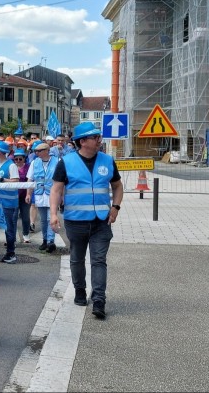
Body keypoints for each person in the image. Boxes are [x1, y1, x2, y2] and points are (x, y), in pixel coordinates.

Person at [49, 122, 123, 320]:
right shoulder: (66, 162)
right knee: (77, 259)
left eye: (99, 137)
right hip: (76, 221)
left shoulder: (107, 160)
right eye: (95, 137)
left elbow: (117, 186)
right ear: (82, 141)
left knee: (99, 261)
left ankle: (99, 299)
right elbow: (56, 190)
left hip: (101, 222)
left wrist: (115, 207)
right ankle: (80, 290)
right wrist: (53, 214)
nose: (99, 140)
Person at [26, 141, 59, 253]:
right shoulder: (34, 163)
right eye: (36, 151)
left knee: (51, 218)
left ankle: (50, 241)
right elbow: (30, 179)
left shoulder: (57, 161)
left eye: (39, 151)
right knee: (43, 220)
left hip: (53, 194)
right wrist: (28, 194)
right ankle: (45, 240)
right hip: (40, 194)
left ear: (47, 151)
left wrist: (62, 195)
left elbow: (62, 180)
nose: (37, 153)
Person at [0, 142, 19, 264]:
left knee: (9, 229)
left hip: (9, 202)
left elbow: (16, 182)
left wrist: (2, 180)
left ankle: (11, 253)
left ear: (0, 152)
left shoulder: (11, 165)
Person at [12, 148, 32, 244]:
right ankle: (12, 236)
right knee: (13, 217)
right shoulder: (12, 167)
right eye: (16, 159)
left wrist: (29, 194)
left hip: (25, 196)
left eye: (20, 159)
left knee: (25, 216)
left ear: (24, 159)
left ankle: (26, 234)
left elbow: (30, 180)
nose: (18, 161)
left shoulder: (28, 167)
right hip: (14, 196)